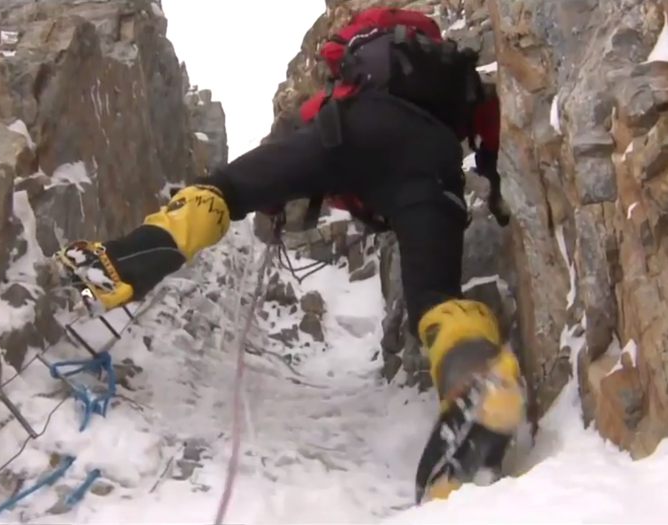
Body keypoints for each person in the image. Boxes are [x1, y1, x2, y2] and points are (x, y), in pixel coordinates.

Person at [53, 6, 524, 504]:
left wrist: (271, 195)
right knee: (435, 298)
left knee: (225, 188)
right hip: (431, 160)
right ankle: (476, 379)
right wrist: (495, 192)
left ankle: (119, 263)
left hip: (349, 132)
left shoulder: (342, 93)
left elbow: (284, 148)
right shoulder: (452, 78)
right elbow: (489, 127)